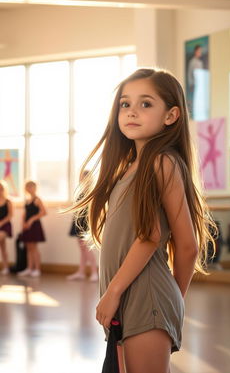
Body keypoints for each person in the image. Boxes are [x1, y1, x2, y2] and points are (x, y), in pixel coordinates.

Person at [68, 68, 215, 373]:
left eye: (146, 104)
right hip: (131, 297)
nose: (132, 111)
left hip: (142, 297)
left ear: (171, 115)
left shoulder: (161, 162)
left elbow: (179, 243)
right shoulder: (128, 168)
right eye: (125, 104)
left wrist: (166, 301)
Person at [67, 172, 98, 282]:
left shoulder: (92, 191)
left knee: (86, 249)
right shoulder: (80, 192)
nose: (83, 180)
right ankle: (81, 271)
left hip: (85, 222)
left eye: (85, 178)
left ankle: (94, 272)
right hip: (78, 221)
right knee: (82, 249)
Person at [17, 181, 47, 277]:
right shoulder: (27, 200)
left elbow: (44, 212)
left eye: (31, 187)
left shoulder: (37, 200)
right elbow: (25, 213)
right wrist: (23, 223)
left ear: (34, 188)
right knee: (28, 247)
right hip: (27, 226)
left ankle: (37, 269)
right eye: (27, 187)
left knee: (34, 247)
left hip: (34, 226)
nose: (29, 188)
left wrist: (31, 220)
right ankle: (29, 268)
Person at [0, 180, 13, 275]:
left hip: (5, 226)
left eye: (1, 189)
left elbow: (10, 215)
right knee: (3, 247)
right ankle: (5, 267)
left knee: (1, 239)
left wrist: (1, 223)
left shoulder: (8, 201)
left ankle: (6, 267)